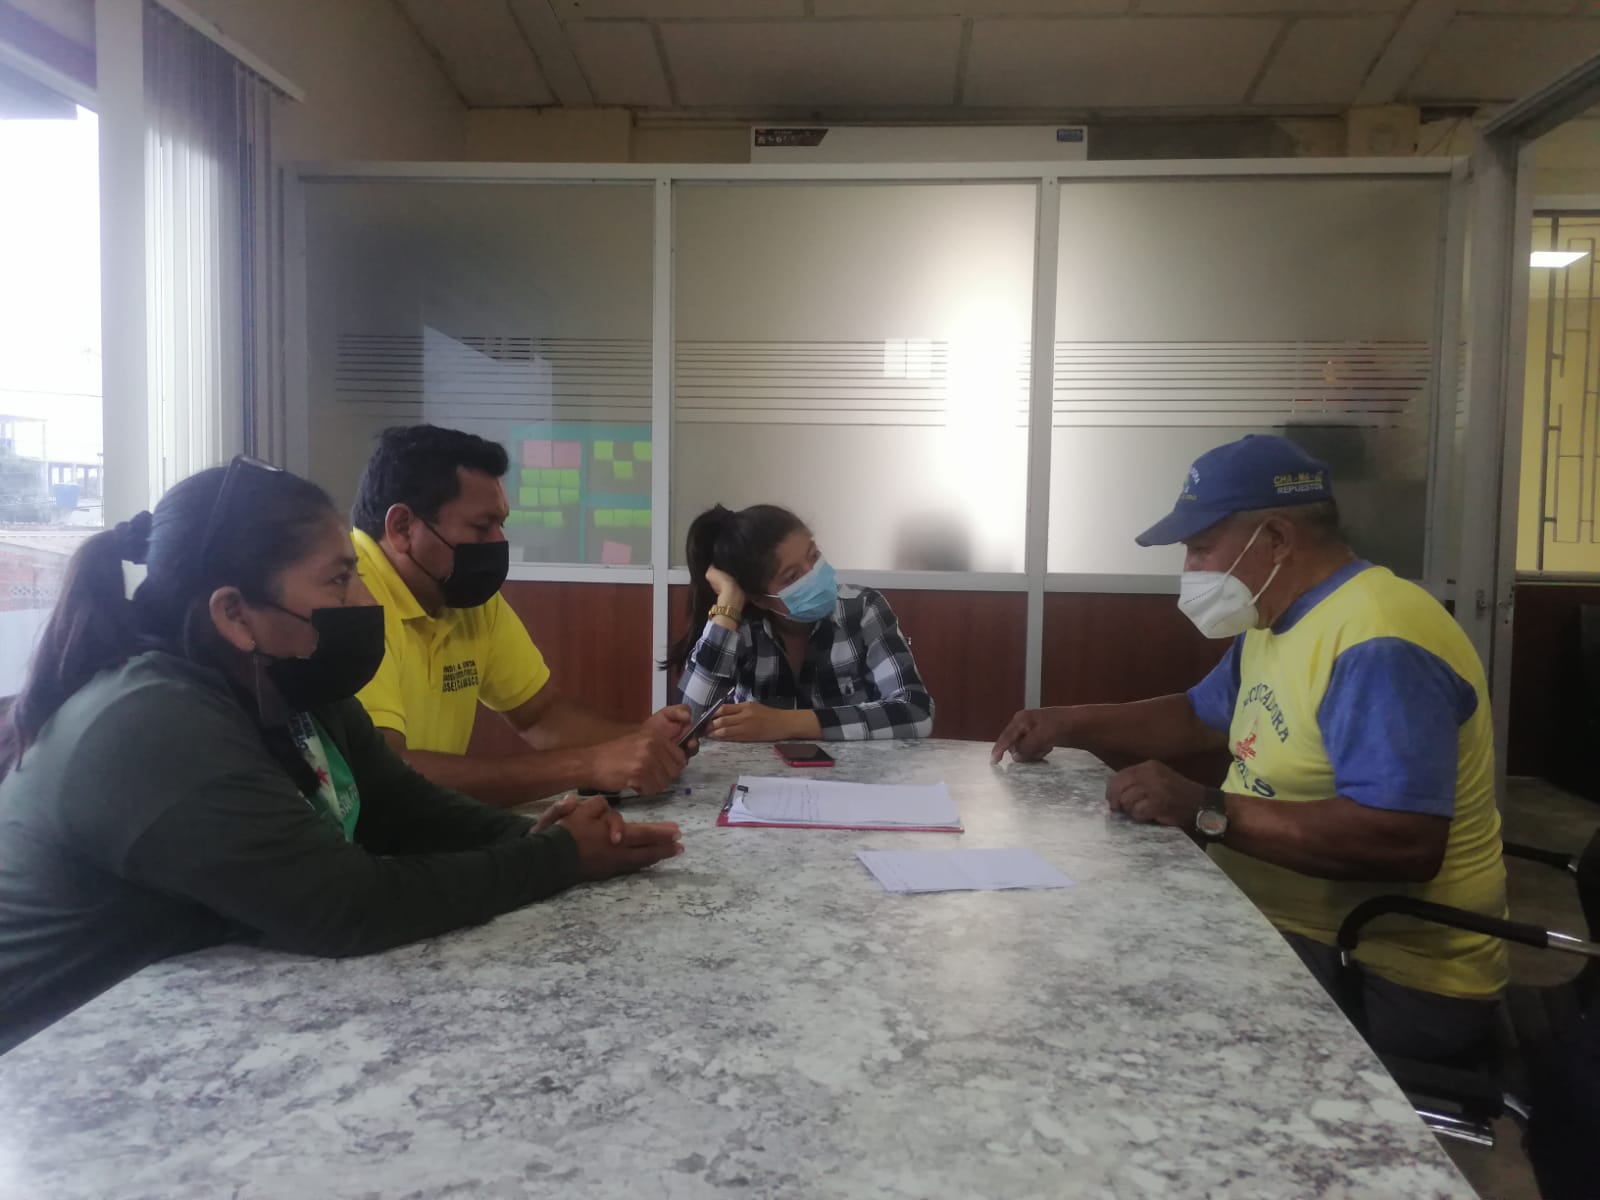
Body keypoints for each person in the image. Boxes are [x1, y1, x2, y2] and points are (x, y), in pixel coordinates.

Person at [0, 458, 683, 1054]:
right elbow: (347, 905)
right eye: (337, 582)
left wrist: (542, 833)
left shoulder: (286, 680)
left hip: (174, 1020)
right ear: (234, 614)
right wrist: (557, 858)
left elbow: (400, 805)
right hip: (55, 1062)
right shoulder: (153, 723)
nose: (363, 600)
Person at [992, 435, 1507, 1062]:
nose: (1191, 570)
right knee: (1073, 940)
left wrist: (1205, 809)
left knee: (1107, 1012)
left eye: (1201, 547)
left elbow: (1402, 841)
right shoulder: (1281, 617)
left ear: (1277, 539)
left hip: (1384, 972)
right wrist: (1068, 723)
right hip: (1279, 919)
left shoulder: (1379, 641)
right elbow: (1198, 716)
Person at [349, 425, 690, 807]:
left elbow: (540, 715)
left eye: (501, 524)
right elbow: (383, 773)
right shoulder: (348, 596)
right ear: (402, 528)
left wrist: (641, 739)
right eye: (481, 527)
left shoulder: (459, 593)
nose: (499, 542)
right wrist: (587, 765)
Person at [665, 503, 934, 742]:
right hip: (762, 778)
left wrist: (786, 723)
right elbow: (686, 724)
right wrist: (729, 604)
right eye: (792, 576)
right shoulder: (742, 628)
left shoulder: (863, 608)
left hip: (857, 777)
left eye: (813, 555)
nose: (813, 574)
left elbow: (917, 712)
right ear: (760, 599)